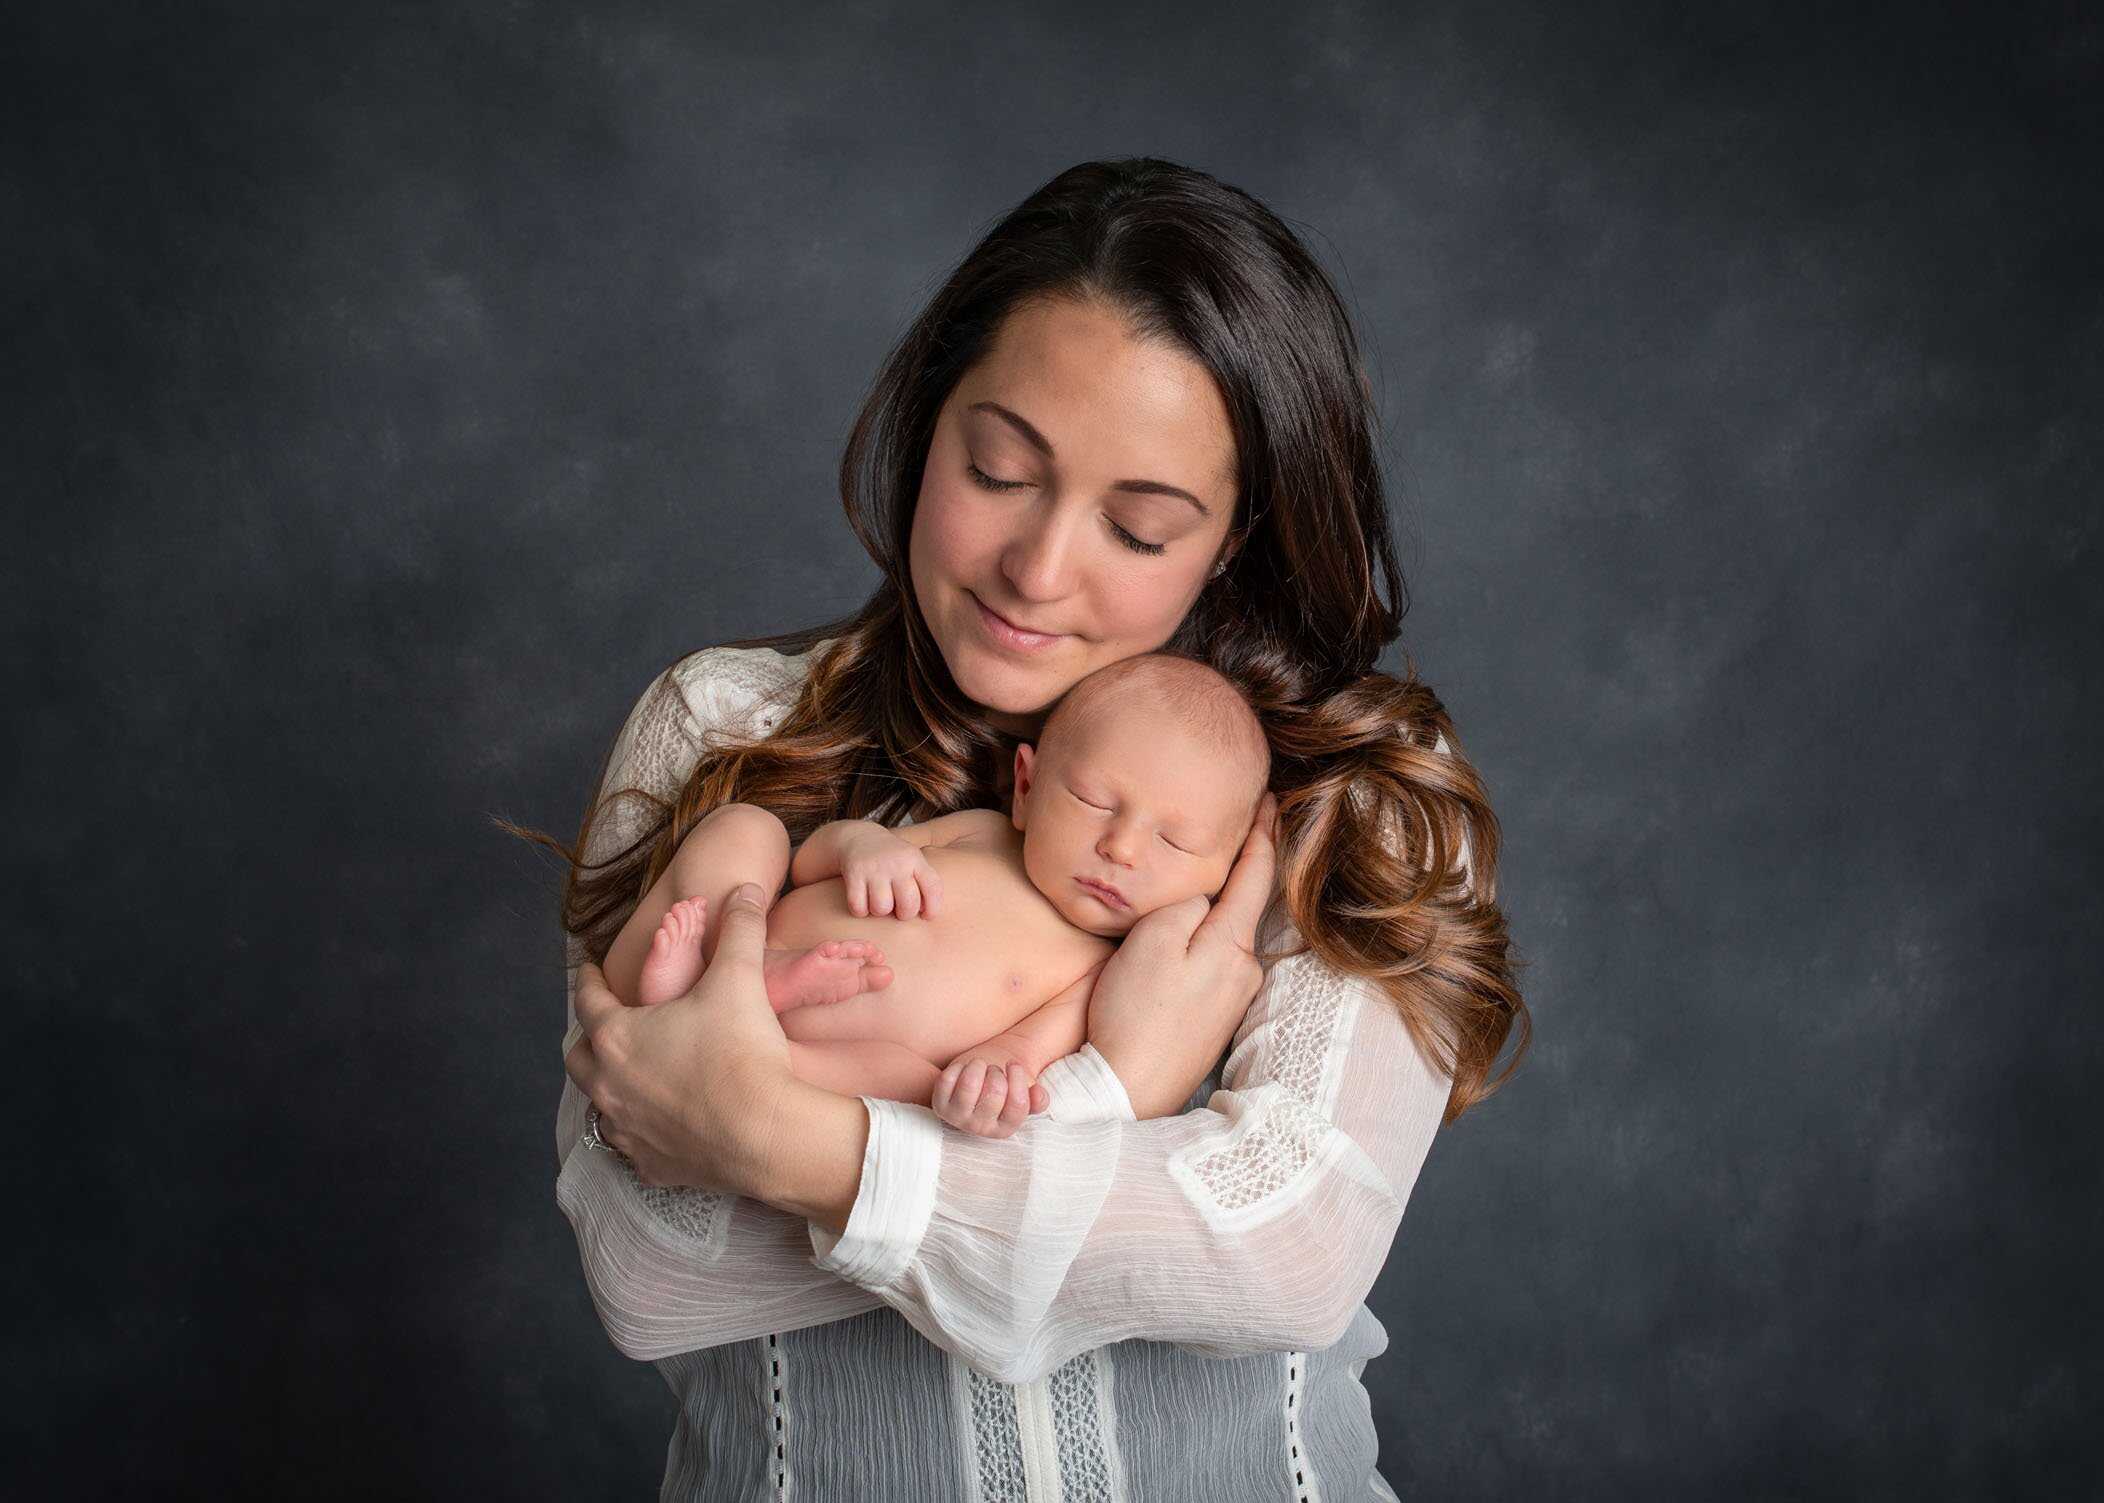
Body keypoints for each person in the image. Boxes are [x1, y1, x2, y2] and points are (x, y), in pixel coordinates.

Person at [521, 157, 1528, 1500]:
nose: (1039, 569)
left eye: (1139, 523)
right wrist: (1130, 1103)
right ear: (929, 425)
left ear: (1233, 537)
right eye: (999, 468)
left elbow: (1288, 1248)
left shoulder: (1334, 787)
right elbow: (645, 1270)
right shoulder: (724, 727)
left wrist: (782, 1141)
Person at [599, 652, 1274, 1139]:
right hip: (740, 936)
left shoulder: (1105, 971)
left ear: (1223, 872)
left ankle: (729, 1030)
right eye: (1094, 800)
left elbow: (1025, 1050)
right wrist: (866, 846)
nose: (1122, 848)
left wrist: (997, 1069)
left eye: (1176, 843)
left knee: (913, 1089)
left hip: (816, 1064)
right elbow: (809, 865)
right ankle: (715, 983)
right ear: (1027, 786)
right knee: (748, 829)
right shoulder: (980, 834)